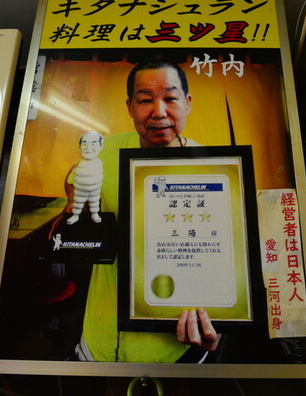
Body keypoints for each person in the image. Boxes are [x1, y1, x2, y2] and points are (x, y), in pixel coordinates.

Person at [55, 61, 220, 363]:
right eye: (145, 100)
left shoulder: (214, 169)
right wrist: (73, 193)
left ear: (187, 103)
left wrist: (223, 318)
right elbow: (73, 175)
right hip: (100, 337)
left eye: (170, 98)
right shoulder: (105, 150)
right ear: (130, 107)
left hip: (177, 344)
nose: (159, 112)